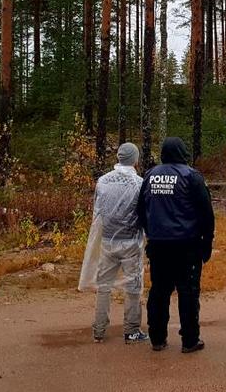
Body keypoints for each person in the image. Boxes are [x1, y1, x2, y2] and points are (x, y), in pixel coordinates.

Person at [137, 137, 215, 353]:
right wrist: (207, 242)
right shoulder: (191, 176)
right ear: (183, 152)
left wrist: (151, 231)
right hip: (186, 245)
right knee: (188, 292)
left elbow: (141, 209)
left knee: (159, 291)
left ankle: (157, 338)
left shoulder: (150, 176)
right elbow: (206, 213)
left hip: (159, 244)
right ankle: (190, 339)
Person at [80, 142, 149, 344]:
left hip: (108, 240)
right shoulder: (139, 183)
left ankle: (99, 330)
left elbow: (98, 212)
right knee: (133, 286)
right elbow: (143, 213)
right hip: (131, 241)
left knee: (104, 286)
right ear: (135, 160)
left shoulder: (103, 181)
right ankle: (132, 330)